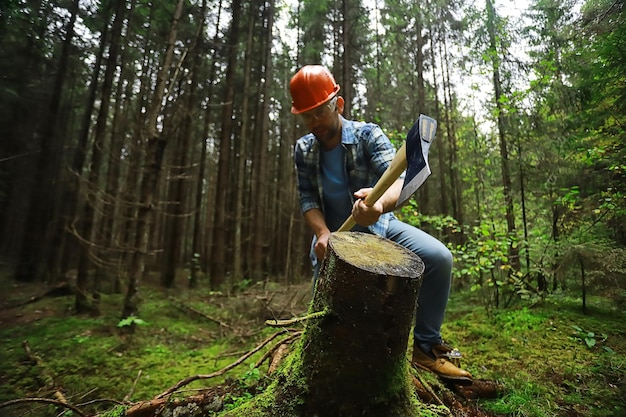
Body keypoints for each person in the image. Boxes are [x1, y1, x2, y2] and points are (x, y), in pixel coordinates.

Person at [289, 64, 473, 384]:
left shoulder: (367, 134)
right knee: (325, 316)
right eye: (307, 116)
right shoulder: (303, 150)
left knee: (439, 258)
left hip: (379, 226)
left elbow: (399, 180)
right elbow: (308, 200)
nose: (315, 122)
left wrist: (378, 205)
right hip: (332, 239)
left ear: (339, 104)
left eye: (320, 111)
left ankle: (426, 347)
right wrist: (321, 233)